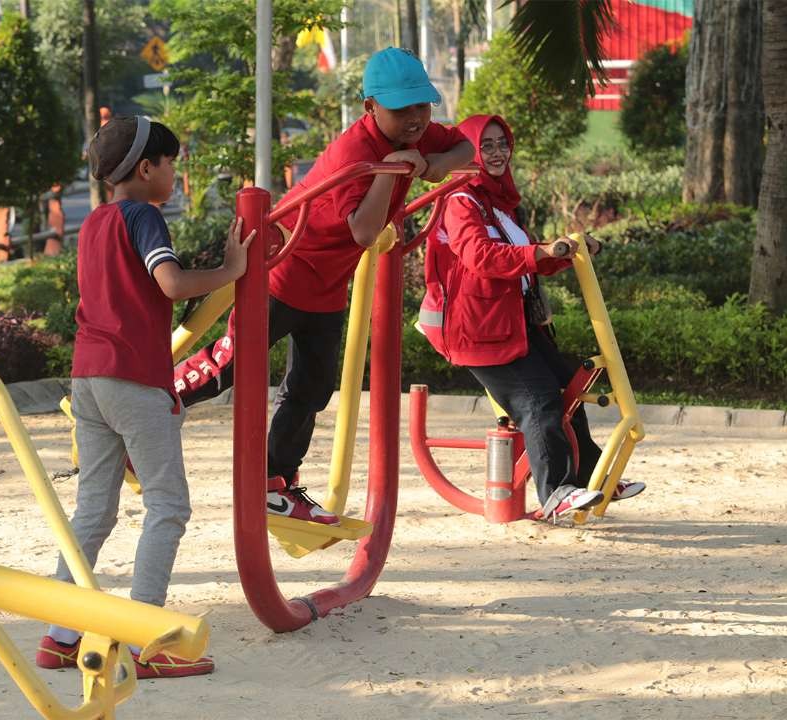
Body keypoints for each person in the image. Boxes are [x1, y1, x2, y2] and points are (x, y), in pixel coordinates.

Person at [173, 48, 474, 525]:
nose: (416, 118)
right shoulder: (353, 153)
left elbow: (465, 148)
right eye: (402, 110)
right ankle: (150, 401)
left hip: (327, 286)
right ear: (370, 107)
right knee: (231, 366)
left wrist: (434, 161)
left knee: (312, 388)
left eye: (422, 106)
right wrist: (392, 167)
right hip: (283, 270)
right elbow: (364, 231)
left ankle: (274, 483)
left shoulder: (415, 132)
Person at [35, 115, 254, 677]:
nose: (175, 175)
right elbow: (173, 285)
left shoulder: (94, 223)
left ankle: (59, 633)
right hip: (132, 379)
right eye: (172, 163)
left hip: (87, 378)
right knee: (167, 504)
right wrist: (233, 268)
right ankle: (142, 640)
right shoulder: (144, 217)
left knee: (94, 509)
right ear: (146, 167)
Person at [417, 114, 645, 522]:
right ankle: (557, 491)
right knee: (538, 401)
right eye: (484, 145)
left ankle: (594, 479)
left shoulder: (501, 203)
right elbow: (481, 257)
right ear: (467, 152)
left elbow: (523, 261)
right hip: (479, 331)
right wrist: (540, 252)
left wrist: (566, 252)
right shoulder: (460, 200)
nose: (497, 152)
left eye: (502, 143)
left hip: (513, 322)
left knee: (570, 385)